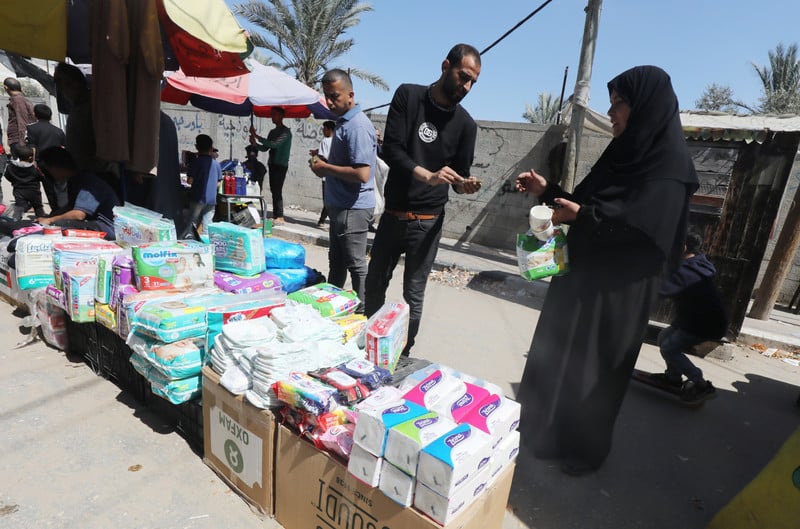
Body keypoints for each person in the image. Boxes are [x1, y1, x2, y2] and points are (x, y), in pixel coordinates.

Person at [513, 65, 699, 476]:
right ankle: (537, 433)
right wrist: (550, 192)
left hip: (620, 294)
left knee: (594, 369)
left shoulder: (669, 166)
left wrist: (587, 218)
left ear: (646, 107)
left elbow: (647, 232)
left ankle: (582, 450)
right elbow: (590, 208)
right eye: (611, 103)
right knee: (558, 352)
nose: (611, 112)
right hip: (581, 278)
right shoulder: (622, 154)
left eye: (619, 104)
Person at [364, 43, 483, 357]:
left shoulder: (466, 125)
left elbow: (458, 177)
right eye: (463, 76)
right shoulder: (409, 96)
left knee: (413, 294)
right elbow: (392, 149)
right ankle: (369, 345)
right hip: (393, 215)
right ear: (445, 66)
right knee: (374, 284)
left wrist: (464, 185)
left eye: (473, 82)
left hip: (427, 225)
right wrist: (426, 175)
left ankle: (400, 354)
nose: (467, 86)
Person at [310, 70, 376, 308]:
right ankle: (333, 308)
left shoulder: (357, 126)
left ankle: (362, 312)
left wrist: (327, 168)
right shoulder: (343, 123)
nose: (329, 102)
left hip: (353, 209)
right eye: (326, 96)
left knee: (356, 264)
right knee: (336, 263)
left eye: (334, 96)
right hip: (340, 206)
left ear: (351, 95)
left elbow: (362, 174)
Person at [653, 231, 727, 401]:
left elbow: (660, 290)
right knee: (663, 337)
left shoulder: (688, 271)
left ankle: (701, 384)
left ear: (683, 247)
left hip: (704, 323)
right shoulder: (697, 262)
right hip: (695, 318)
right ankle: (673, 377)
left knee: (669, 348)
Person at [35, 146, 121, 238]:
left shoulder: (88, 182)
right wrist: (49, 217)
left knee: (58, 225)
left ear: (56, 166)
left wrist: (51, 220)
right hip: (95, 223)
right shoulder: (74, 180)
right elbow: (70, 207)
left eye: (49, 169)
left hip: (108, 227)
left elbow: (78, 215)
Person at [250, 107, 292, 224]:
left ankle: (280, 216)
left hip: (281, 165)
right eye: (272, 114)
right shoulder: (272, 132)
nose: (272, 117)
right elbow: (265, 148)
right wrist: (255, 143)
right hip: (272, 164)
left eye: (274, 114)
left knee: (277, 190)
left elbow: (274, 145)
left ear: (281, 116)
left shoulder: (286, 132)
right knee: (274, 190)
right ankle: (276, 215)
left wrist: (257, 136)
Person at [26, 103, 67, 214]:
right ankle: (63, 210)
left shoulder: (31, 129)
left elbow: (32, 147)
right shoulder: (58, 131)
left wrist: (33, 162)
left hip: (43, 163)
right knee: (61, 188)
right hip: (59, 162)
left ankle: (55, 210)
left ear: (35, 114)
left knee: (49, 188)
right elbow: (64, 146)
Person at [186, 134, 222, 236]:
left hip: (197, 198)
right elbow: (219, 183)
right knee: (207, 224)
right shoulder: (216, 164)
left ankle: (190, 242)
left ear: (196, 147)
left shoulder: (195, 162)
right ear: (211, 148)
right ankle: (206, 244)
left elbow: (190, 181)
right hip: (211, 200)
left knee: (191, 222)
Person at [3, 145, 44, 220]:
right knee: (38, 207)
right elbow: (41, 177)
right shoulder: (33, 168)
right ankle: (42, 221)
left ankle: (16, 222)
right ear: (30, 158)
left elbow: (7, 176)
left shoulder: (11, 167)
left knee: (19, 209)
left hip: (19, 191)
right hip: (34, 191)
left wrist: (14, 181)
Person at [310, 120, 335, 228]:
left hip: (327, 174)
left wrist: (313, 160)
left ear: (329, 130)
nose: (323, 131)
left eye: (324, 129)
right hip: (335, 174)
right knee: (331, 199)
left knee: (327, 200)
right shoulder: (338, 141)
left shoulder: (325, 141)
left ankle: (322, 221)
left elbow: (323, 157)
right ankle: (323, 221)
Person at [3, 77, 36, 159]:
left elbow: (22, 121)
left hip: (19, 141)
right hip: (19, 140)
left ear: (5, 87)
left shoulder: (17, 100)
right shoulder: (22, 99)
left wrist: (22, 144)